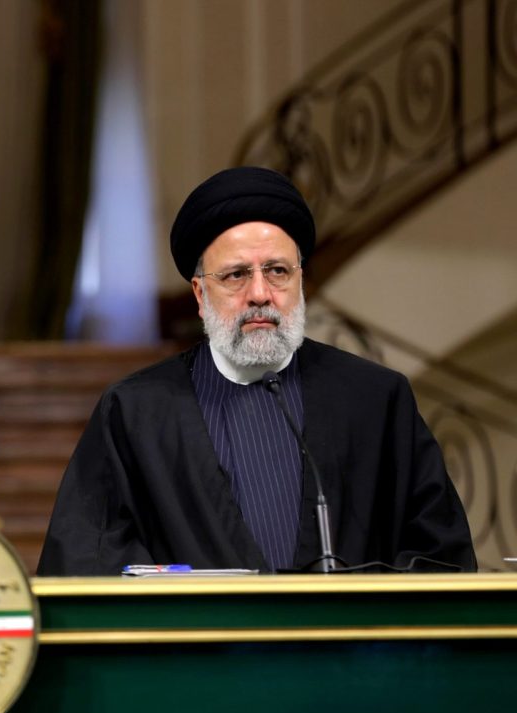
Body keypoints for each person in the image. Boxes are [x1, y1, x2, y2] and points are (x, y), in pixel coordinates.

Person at [37, 166, 476, 575]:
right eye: (235, 276)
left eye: (278, 271)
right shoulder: (135, 413)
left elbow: (440, 556)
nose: (260, 294)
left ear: (300, 280)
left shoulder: (376, 399)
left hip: (352, 656)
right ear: (198, 292)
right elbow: (87, 566)